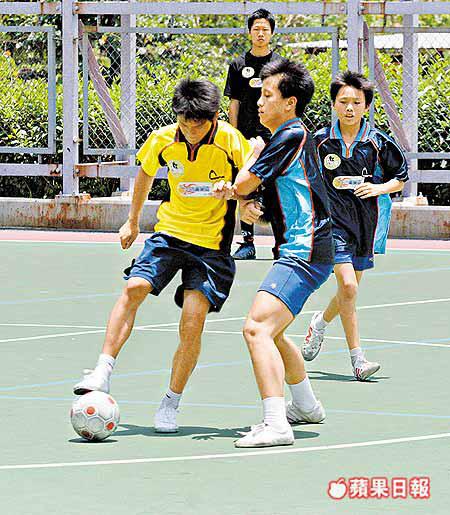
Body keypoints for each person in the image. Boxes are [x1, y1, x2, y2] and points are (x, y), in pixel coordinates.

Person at [73, 78, 253, 433]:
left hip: (212, 246)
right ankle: (102, 370)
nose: (190, 130)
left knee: (192, 322)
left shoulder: (231, 140)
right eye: (184, 122)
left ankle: (171, 402)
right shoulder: (163, 139)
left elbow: (252, 180)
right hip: (170, 233)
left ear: (215, 117)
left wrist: (237, 194)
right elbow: (145, 175)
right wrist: (132, 221)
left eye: (198, 124)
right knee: (134, 288)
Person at [214, 59, 334, 448]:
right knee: (275, 331)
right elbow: (281, 197)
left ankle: (276, 423)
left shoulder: (289, 134)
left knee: (256, 328)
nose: (259, 103)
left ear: (290, 102)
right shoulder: (290, 139)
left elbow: (246, 181)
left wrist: (246, 167)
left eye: (267, 96)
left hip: (305, 250)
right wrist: (250, 206)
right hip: (307, 248)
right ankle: (306, 405)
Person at [301, 70, 408, 381]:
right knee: (347, 286)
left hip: (364, 225)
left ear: (366, 106)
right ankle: (358, 360)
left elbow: (400, 178)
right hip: (331, 224)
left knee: (349, 290)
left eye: (356, 102)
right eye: (343, 101)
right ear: (334, 104)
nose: (349, 108)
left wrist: (378, 188)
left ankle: (320, 323)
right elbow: (303, 177)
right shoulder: (320, 141)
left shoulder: (378, 142)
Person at [224, 8, 282, 260]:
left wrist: (281, 133)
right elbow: (234, 103)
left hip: (273, 137)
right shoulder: (238, 65)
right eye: (256, 29)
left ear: (271, 33)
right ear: (249, 32)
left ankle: (281, 243)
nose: (260, 33)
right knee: (244, 187)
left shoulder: (280, 65)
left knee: (277, 187)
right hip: (246, 138)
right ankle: (247, 242)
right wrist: (234, 136)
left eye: (264, 29)